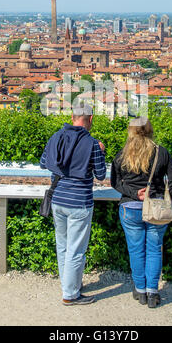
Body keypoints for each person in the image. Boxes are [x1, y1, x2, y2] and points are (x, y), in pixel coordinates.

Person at [40, 104, 106, 306]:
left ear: (72, 116)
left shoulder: (56, 136)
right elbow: (101, 176)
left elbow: (44, 163)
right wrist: (101, 152)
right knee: (76, 249)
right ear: (91, 119)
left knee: (63, 246)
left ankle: (68, 284)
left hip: (58, 200)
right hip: (79, 203)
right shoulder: (93, 143)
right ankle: (70, 294)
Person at [111, 117, 172, 308]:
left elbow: (115, 183)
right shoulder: (161, 152)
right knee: (154, 249)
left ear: (130, 131)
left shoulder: (121, 155)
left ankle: (140, 290)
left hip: (130, 208)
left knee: (136, 250)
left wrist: (135, 194)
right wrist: (170, 203)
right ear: (150, 130)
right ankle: (152, 293)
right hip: (157, 208)